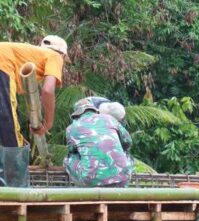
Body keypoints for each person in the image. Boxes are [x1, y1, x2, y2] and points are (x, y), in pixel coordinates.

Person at [0, 35, 69, 186]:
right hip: (2, 69)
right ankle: (16, 188)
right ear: (63, 54)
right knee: (9, 130)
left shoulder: (28, 56)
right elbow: (48, 91)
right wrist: (48, 124)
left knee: (10, 128)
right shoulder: (55, 56)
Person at [64, 98, 134, 187]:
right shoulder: (110, 118)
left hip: (91, 181)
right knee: (126, 154)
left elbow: (71, 149)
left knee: (69, 158)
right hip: (123, 178)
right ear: (95, 110)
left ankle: (85, 183)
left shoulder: (71, 128)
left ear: (76, 115)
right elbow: (127, 141)